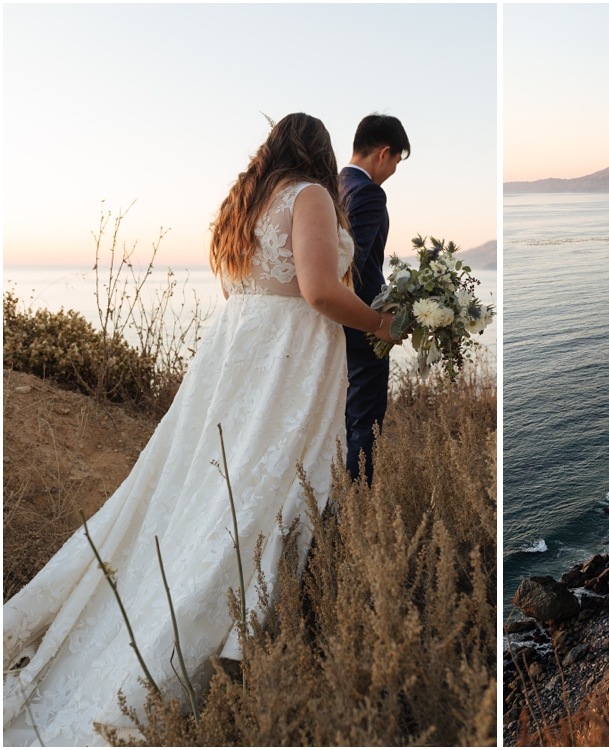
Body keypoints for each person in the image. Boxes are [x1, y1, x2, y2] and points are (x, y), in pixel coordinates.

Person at [2, 113, 399, 746]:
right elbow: (320, 291)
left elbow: (249, 288)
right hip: (283, 366)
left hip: (237, 357)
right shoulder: (312, 195)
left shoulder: (246, 201)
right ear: (321, 154)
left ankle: (224, 625)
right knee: (257, 494)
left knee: (206, 491)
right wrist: (382, 326)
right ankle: (230, 641)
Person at [339, 114, 410, 484]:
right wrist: (384, 315)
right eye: (398, 160)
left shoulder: (331, 186)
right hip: (362, 325)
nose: (395, 168)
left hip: (329, 321)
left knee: (337, 418)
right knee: (365, 422)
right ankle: (357, 506)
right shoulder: (368, 193)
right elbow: (353, 266)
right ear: (385, 153)